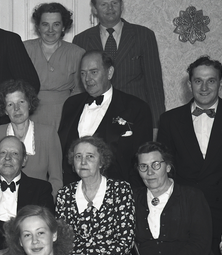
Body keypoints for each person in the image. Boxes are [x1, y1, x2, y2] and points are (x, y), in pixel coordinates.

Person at [156, 55, 222, 255]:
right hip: (184, 210)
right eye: (198, 81)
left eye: (211, 81)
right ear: (189, 85)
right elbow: (164, 170)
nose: (204, 87)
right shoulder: (170, 120)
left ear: (220, 84)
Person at [72, 0, 166, 127]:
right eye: (104, 4)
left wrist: (157, 125)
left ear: (121, 5)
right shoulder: (81, 40)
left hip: (135, 114)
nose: (110, 8)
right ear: (95, 9)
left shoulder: (143, 35)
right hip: (95, 116)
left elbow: (154, 84)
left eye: (114, 3)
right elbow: (80, 85)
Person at [58, 51, 152, 188]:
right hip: (73, 189)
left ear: (109, 73)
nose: (87, 79)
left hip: (117, 190)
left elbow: (142, 159)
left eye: (93, 72)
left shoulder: (136, 108)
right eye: (83, 73)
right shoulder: (71, 104)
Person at [0, 78, 64, 192]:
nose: (16, 108)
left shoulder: (48, 134)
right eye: (10, 104)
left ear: (29, 104)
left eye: (21, 102)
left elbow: (56, 180)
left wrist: (47, 200)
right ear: (5, 110)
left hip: (38, 201)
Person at [23, 2, 84, 135]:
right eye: (45, 24)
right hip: (28, 113)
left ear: (63, 27)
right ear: (38, 27)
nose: (50, 30)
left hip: (64, 115)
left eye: (56, 24)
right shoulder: (23, 49)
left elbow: (81, 88)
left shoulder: (76, 53)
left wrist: (70, 110)